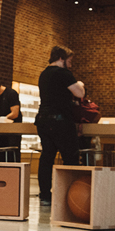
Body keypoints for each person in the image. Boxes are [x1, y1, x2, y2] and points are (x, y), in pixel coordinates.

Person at [36, 46, 85, 207]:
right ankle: (71, 196)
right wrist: (80, 83)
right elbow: (80, 93)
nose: (70, 65)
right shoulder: (63, 74)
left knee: (47, 157)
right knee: (70, 158)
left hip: (43, 120)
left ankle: (45, 195)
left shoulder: (44, 74)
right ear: (61, 58)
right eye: (69, 61)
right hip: (60, 121)